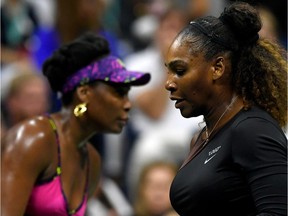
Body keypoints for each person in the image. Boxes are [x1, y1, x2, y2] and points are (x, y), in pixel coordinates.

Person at [1, 32, 150, 216]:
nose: (128, 104)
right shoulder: (33, 138)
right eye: (119, 92)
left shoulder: (92, 162)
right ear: (84, 93)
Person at [164, 2, 287, 216]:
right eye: (169, 71)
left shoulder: (252, 130)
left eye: (180, 70)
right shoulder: (201, 137)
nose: (169, 83)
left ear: (218, 68)